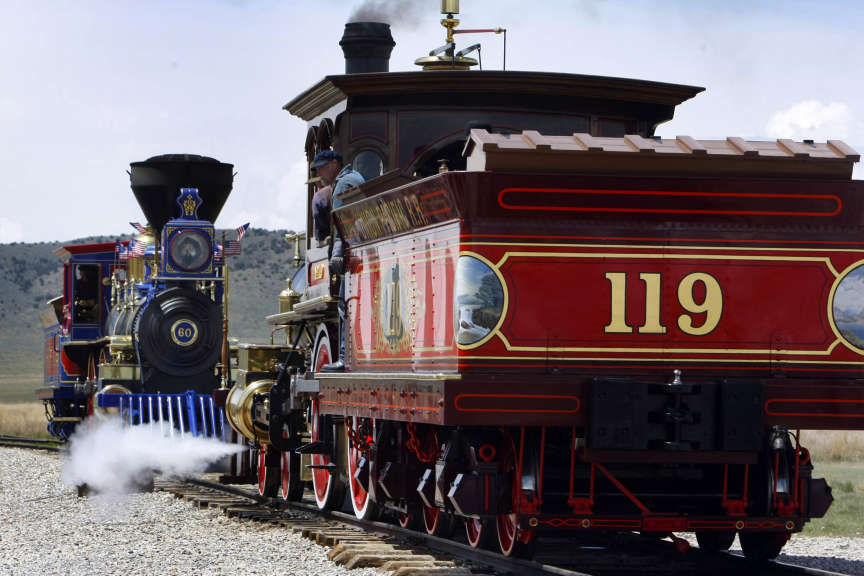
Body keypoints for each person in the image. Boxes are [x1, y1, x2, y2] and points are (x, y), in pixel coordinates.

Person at [310, 150, 365, 371]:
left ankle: (344, 357)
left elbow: (344, 222)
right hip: (357, 251)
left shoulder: (344, 184)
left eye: (322, 167)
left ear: (335, 163)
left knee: (345, 305)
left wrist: (338, 253)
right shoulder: (353, 178)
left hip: (352, 254)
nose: (319, 173)